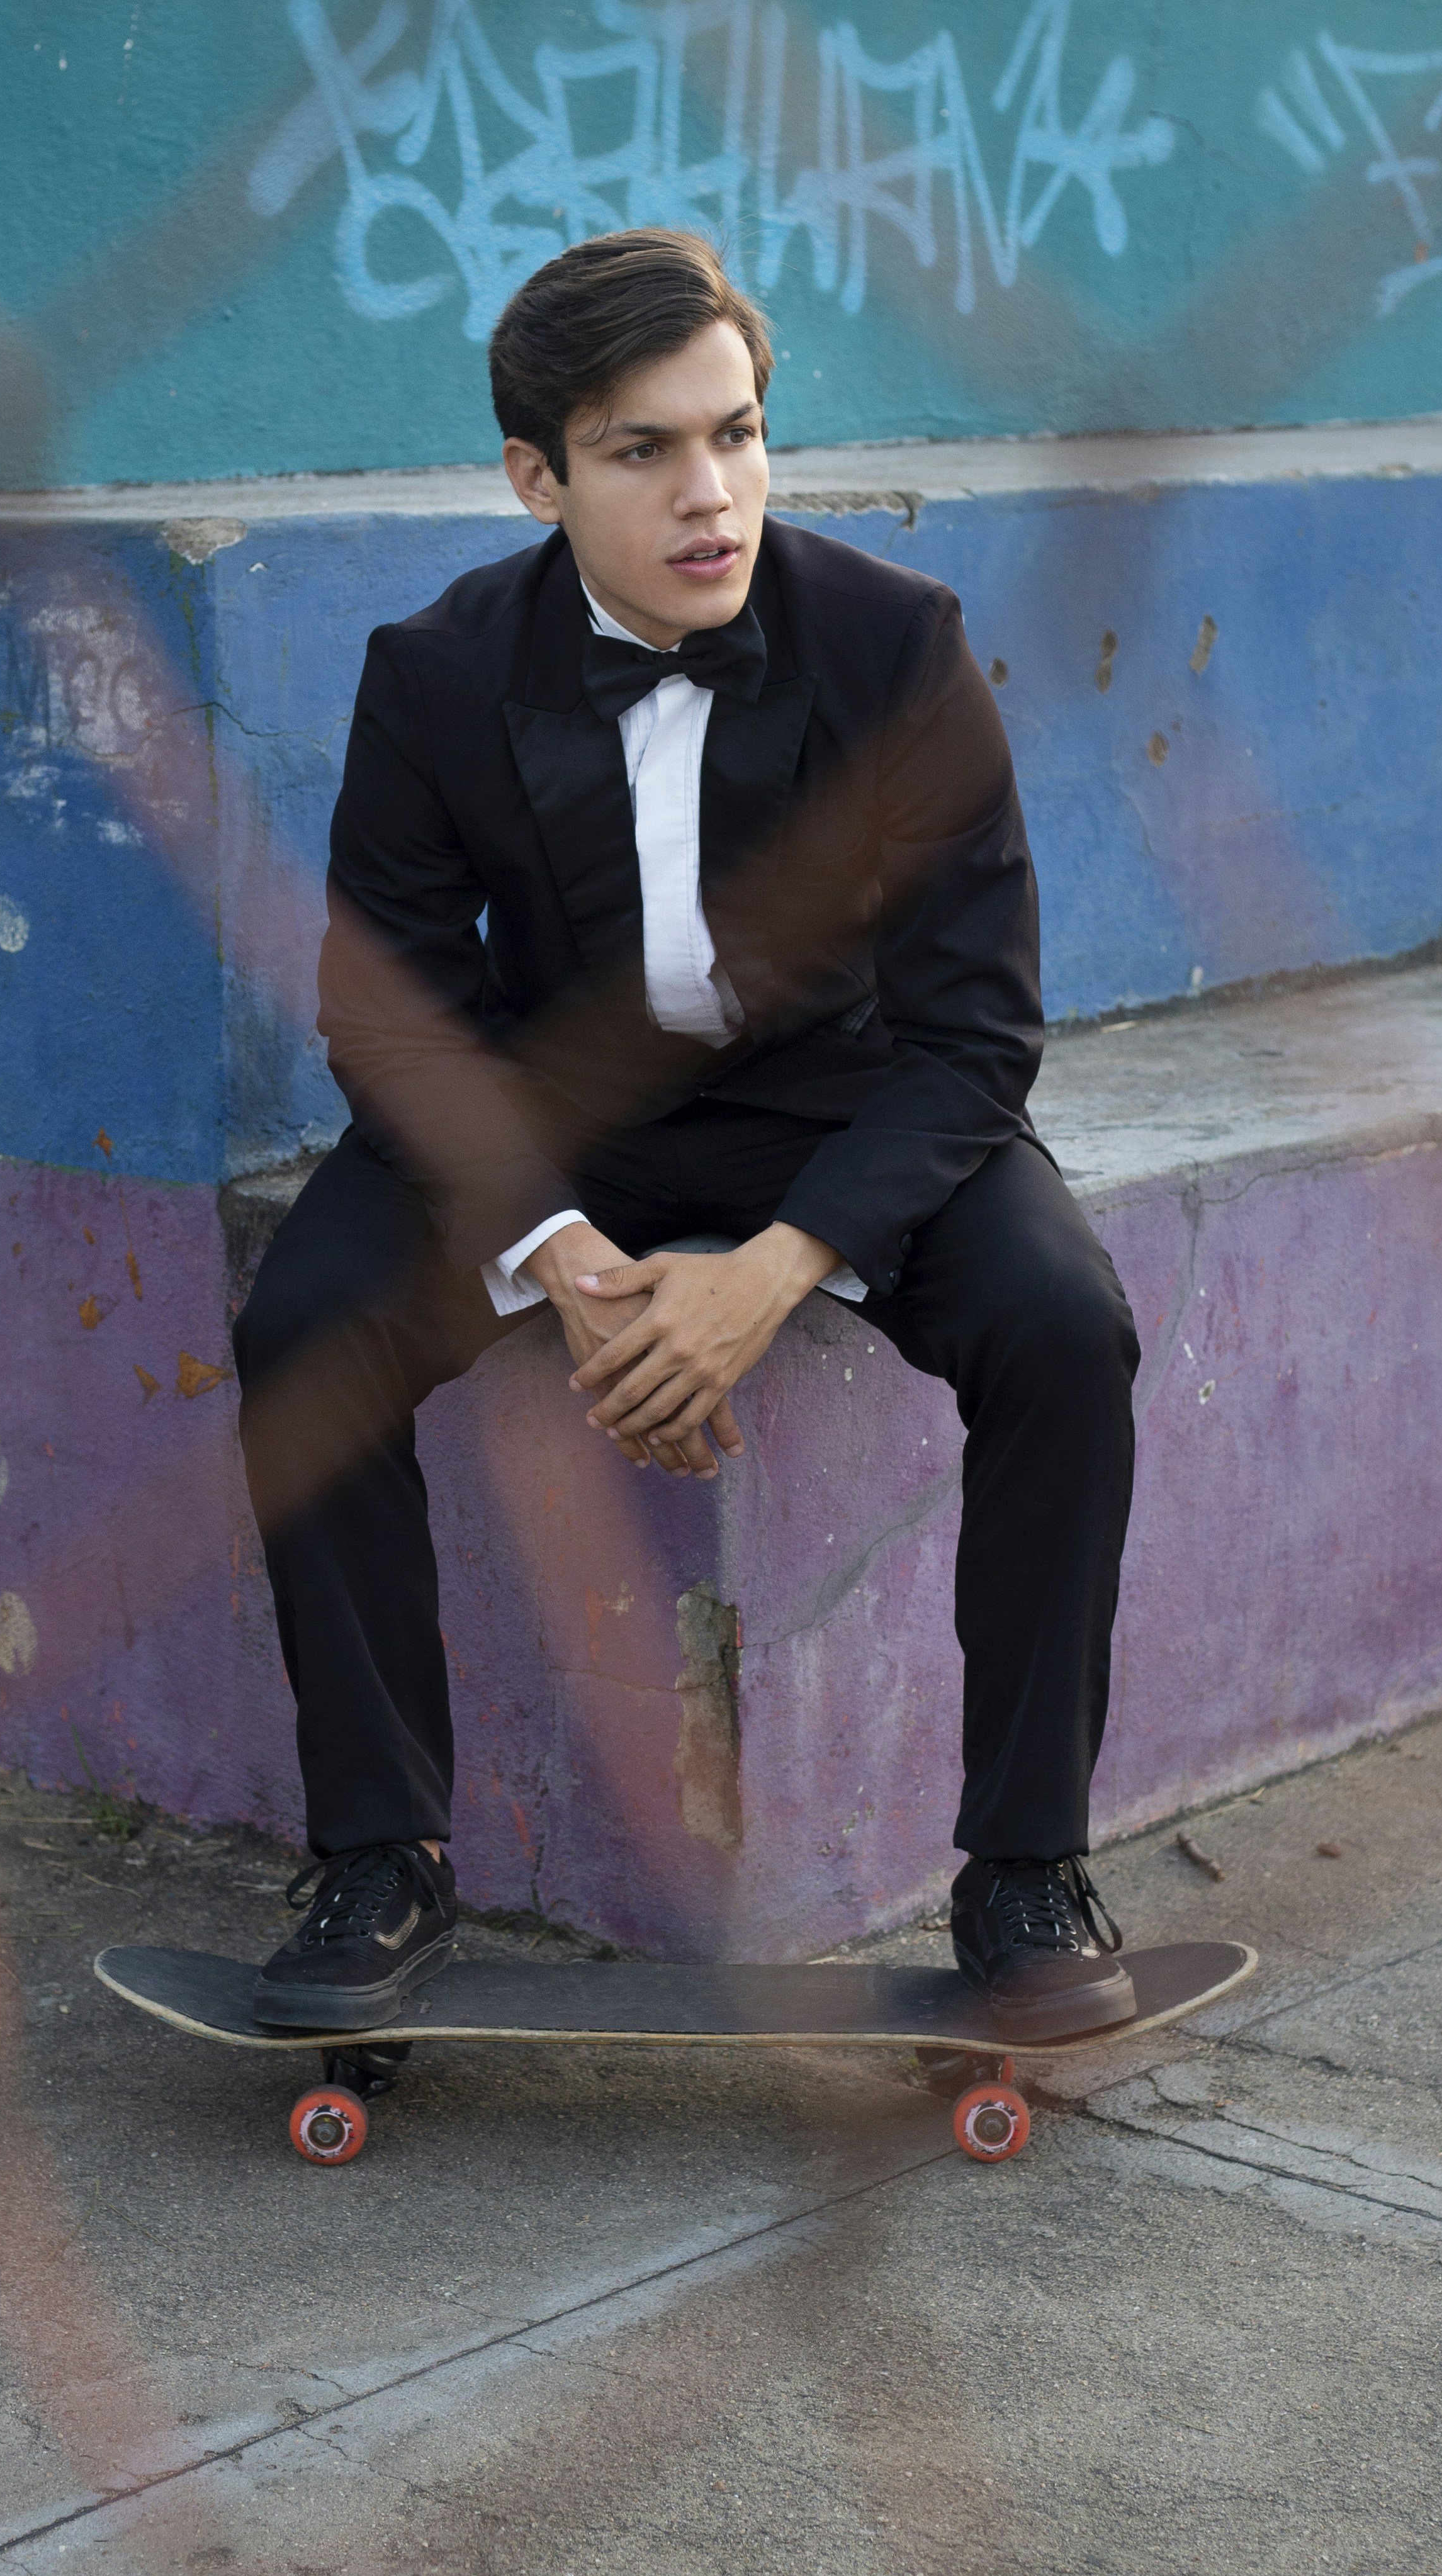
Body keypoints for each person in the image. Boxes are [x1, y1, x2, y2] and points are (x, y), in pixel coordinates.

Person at [232, 227, 1139, 2040]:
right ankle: (381, 1853)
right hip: (548, 1129)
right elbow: (388, 1016)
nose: (707, 492)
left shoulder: (897, 646)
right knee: (305, 1322)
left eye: (733, 434)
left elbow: (975, 1034)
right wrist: (562, 1260)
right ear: (535, 476)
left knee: (1064, 1326)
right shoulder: (432, 672)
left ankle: (1023, 1861)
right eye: (642, 451)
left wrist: (771, 1273)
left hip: (847, 1105)